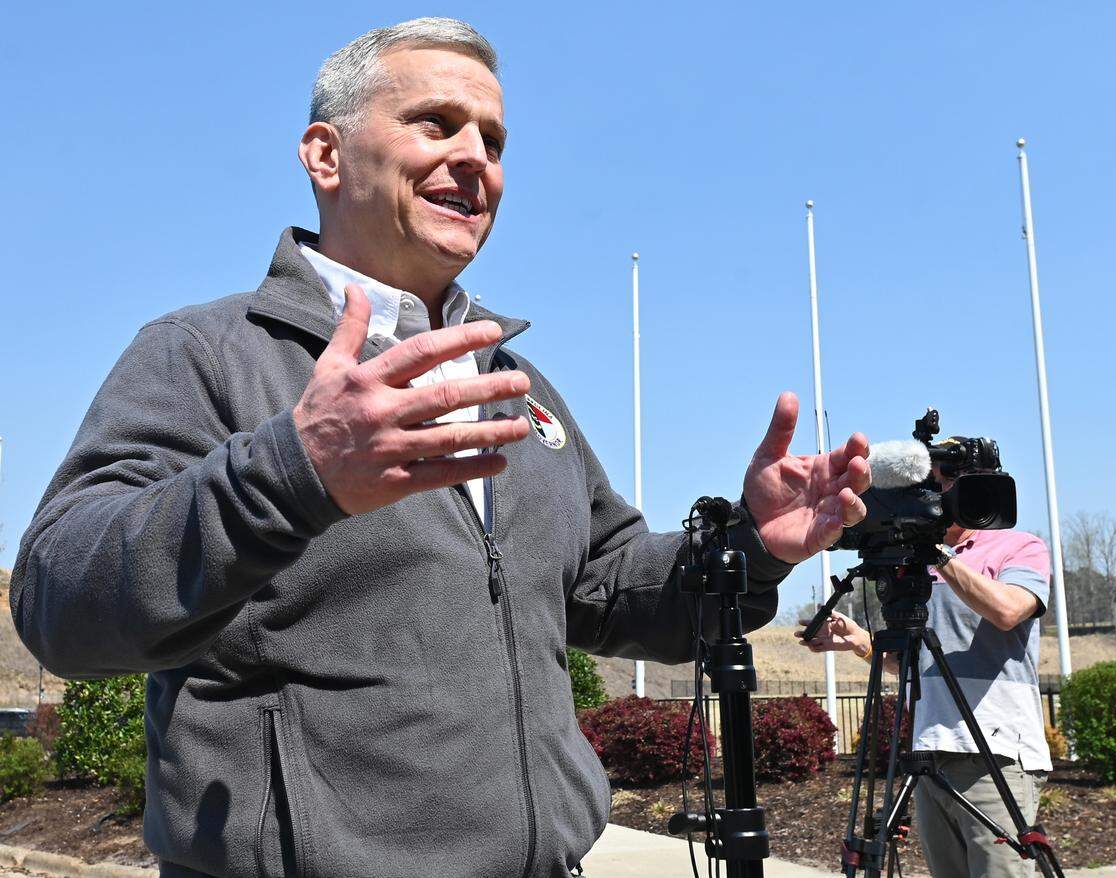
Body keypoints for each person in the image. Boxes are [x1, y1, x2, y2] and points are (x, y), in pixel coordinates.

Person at [12, 19, 871, 878]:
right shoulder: (204, 353)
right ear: (324, 156)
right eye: (436, 122)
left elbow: (607, 586)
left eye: (493, 140)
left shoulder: (515, 383)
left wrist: (749, 549)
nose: (477, 159)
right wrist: (293, 472)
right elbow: (60, 603)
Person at [797, 466, 1053, 878]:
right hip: (930, 752)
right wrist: (861, 642)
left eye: (944, 484)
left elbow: (1008, 611)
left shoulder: (1019, 546)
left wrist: (938, 556)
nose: (933, 494)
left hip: (997, 752)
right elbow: (918, 666)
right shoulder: (920, 568)